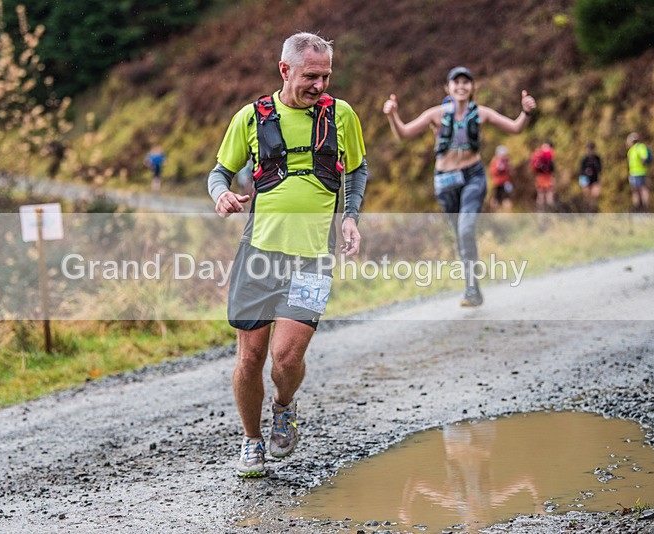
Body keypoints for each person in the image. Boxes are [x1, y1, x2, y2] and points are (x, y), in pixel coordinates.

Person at [207, 32, 369, 478]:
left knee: (287, 359)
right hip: (258, 256)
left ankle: (283, 405)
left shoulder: (341, 115)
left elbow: (357, 169)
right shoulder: (250, 117)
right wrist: (221, 195)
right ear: (285, 70)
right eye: (311, 76)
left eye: (326, 76)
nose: (320, 85)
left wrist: (350, 216)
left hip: (313, 260)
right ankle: (251, 440)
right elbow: (219, 173)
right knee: (250, 358)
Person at [383, 67, 536, 306]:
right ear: (448, 88)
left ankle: (471, 290)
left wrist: (525, 112)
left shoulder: (482, 113)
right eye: (456, 82)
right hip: (445, 182)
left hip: (473, 176)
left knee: (465, 229)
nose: (461, 86)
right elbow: (403, 134)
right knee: (460, 235)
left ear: (472, 87)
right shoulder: (435, 114)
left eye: (466, 82)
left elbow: (516, 127)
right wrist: (392, 115)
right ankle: (472, 285)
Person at [625, 132, 650, 211]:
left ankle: (645, 208)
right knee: (635, 191)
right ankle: (637, 207)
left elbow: (644, 158)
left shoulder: (640, 147)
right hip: (633, 173)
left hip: (640, 173)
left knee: (642, 189)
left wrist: (642, 163)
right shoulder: (631, 150)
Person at [530, 142, 555, 209]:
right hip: (547, 176)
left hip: (540, 176)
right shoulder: (548, 154)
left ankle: (540, 208)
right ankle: (550, 208)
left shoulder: (538, 154)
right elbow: (552, 167)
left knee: (540, 193)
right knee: (548, 192)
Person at [488, 145, 513, 211]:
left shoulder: (507, 160)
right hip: (497, 182)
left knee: (506, 196)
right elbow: (492, 172)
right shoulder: (495, 160)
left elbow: (509, 170)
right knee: (496, 196)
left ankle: (507, 211)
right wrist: (499, 170)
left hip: (506, 181)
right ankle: (493, 210)